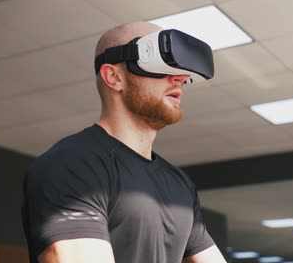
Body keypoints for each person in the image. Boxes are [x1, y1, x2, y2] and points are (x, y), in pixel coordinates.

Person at [21, 21, 227, 263]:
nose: (180, 78)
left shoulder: (179, 184)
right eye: (163, 64)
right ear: (114, 77)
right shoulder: (72, 164)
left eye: (181, 71)